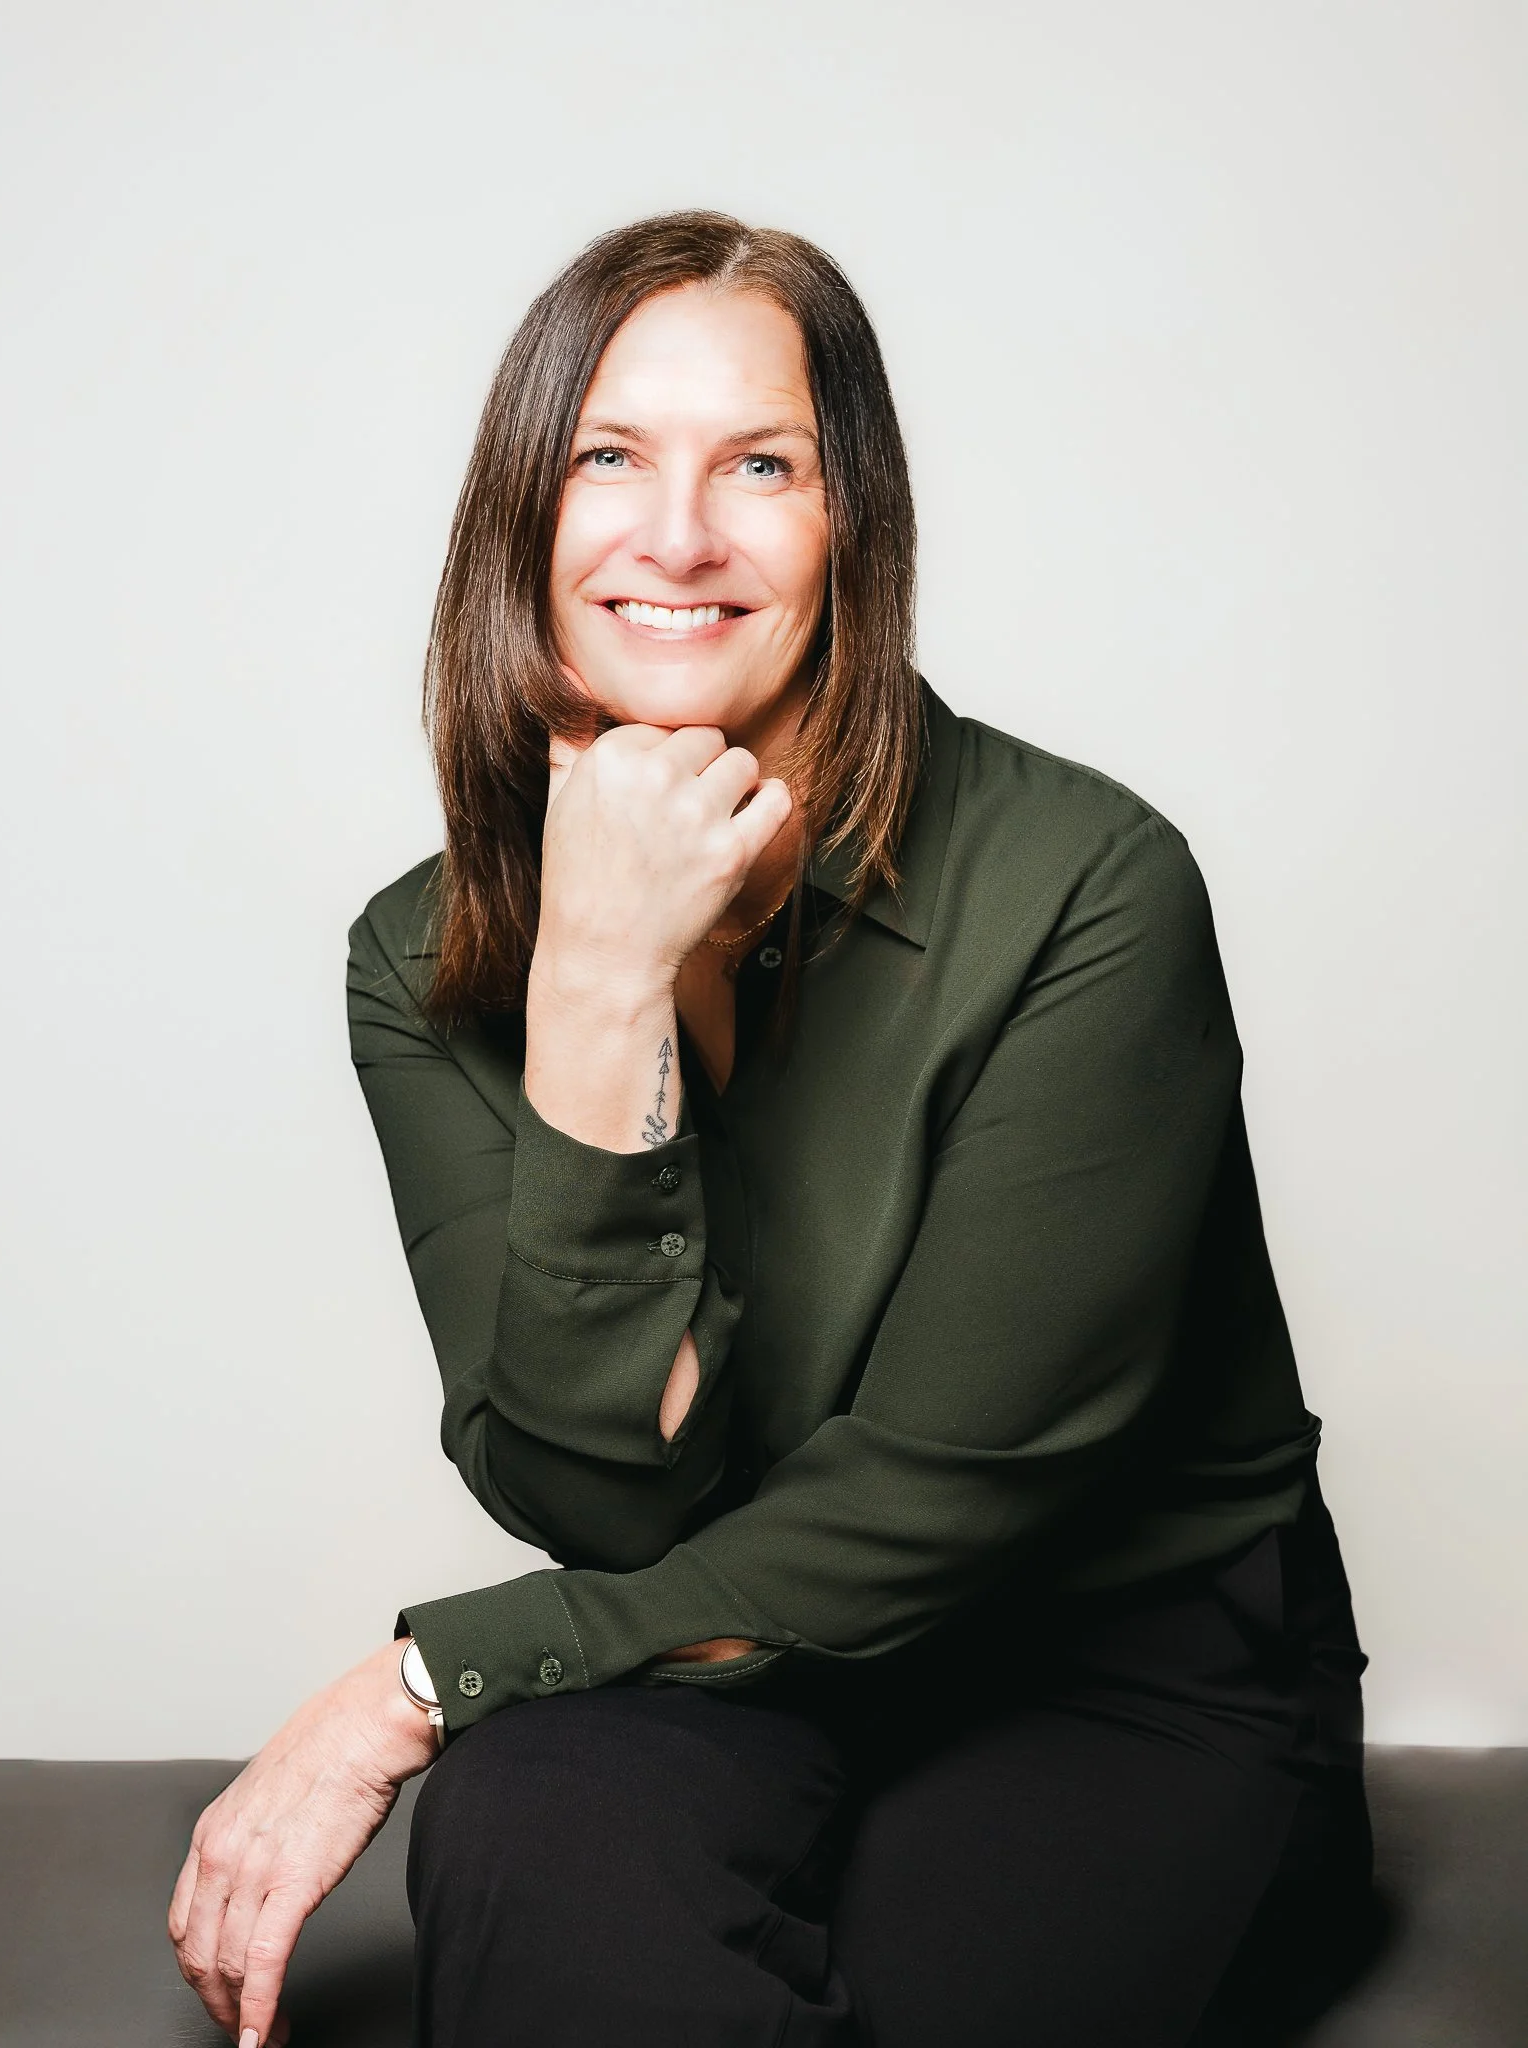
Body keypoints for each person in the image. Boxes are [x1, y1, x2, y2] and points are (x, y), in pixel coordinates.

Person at [168, 211, 1374, 2048]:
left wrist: (421, 1683)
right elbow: (588, 1490)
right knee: (523, 1849)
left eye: (760, 465)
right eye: (607, 460)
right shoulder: (418, 954)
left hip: (1117, 1674)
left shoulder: (1086, 887)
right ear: (525, 523)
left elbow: (936, 1508)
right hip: (712, 1656)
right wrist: (595, 985)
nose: (676, 536)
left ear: (849, 529)